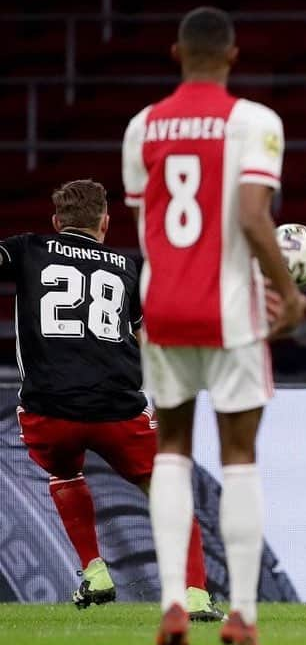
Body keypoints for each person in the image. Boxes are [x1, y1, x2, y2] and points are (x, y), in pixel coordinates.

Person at [122, 6, 306, 645]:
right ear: (233, 54)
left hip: (164, 309)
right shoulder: (255, 122)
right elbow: (255, 218)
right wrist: (288, 293)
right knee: (239, 458)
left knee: (171, 449)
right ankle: (244, 614)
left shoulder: (141, 126)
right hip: (229, 311)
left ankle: (174, 603)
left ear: (176, 52)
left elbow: (149, 222)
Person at [0, 179, 220, 620]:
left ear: (56, 222)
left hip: (49, 410)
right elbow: (145, 335)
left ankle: (95, 571)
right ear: (105, 221)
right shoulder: (127, 265)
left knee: (64, 473)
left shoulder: (28, 248)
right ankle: (194, 595)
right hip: (117, 408)